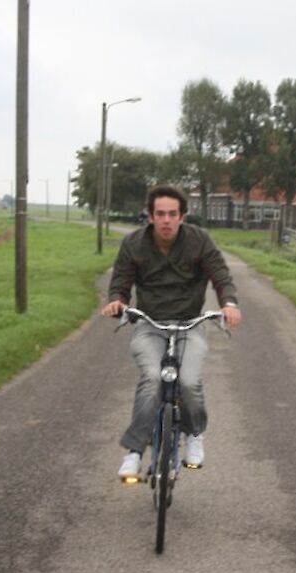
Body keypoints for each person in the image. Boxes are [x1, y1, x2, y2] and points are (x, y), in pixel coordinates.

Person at [100, 185, 242, 480]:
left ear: (183, 216)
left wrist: (228, 303)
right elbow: (120, 284)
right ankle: (135, 452)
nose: (166, 220)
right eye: (160, 214)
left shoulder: (199, 241)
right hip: (149, 324)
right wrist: (117, 302)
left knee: (189, 381)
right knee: (152, 379)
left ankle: (194, 435)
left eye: (172, 214)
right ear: (150, 216)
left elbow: (221, 275)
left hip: (189, 324)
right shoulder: (133, 244)